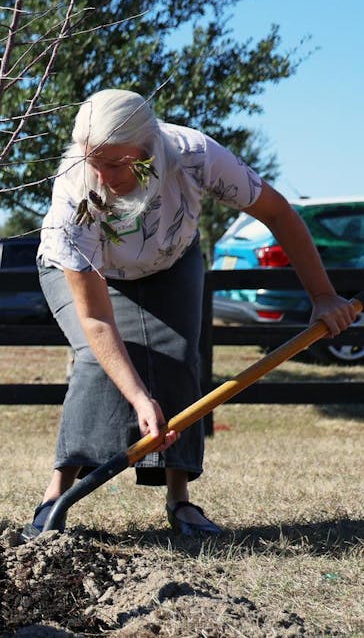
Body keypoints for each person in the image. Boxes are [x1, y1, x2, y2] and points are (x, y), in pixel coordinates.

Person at [24, 89, 359, 540]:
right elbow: (98, 322)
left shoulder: (195, 156)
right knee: (96, 362)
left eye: (116, 164)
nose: (100, 177)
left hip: (169, 259)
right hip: (89, 271)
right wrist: (140, 400)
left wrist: (322, 295)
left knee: (179, 357)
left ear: (149, 149)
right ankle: (55, 496)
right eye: (92, 161)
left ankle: (179, 500)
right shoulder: (73, 196)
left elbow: (278, 213)